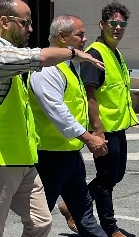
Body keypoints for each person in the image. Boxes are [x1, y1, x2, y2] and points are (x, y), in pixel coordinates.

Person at [0, 0, 104, 237]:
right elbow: (37, 58)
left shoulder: (12, 57)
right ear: (5, 21)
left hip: (21, 157)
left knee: (41, 222)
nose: (31, 28)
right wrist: (72, 53)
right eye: (26, 22)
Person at [58, 3, 139, 237]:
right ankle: (110, 228)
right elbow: (90, 94)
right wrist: (97, 131)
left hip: (118, 126)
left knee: (115, 175)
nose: (118, 28)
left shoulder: (115, 53)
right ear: (102, 24)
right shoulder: (96, 52)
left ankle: (71, 204)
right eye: (113, 23)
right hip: (104, 128)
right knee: (105, 180)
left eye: (122, 24)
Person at [29, 14, 110, 237]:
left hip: (70, 155)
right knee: (40, 220)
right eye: (80, 35)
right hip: (49, 157)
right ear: (63, 37)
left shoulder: (68, 67)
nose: (85, 40)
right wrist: (88, 137)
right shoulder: (47, 70)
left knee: (84, 213)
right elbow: (57, 112)